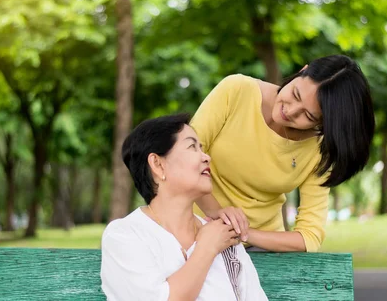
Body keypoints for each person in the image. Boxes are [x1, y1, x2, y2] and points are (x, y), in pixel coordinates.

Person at [192, 55, 375, 253]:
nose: (291, 111)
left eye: (308, 115)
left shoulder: (318, 149)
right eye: (296, 94)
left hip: (257, 246)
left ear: (322, 123)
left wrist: (242, 233)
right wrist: (217, 213)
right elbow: (185, 157)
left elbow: (309, 236)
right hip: (192, 228)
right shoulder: (236, 90)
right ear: (302, 70)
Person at [101, 113, 268, 301]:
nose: (206, 157)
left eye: (202, 148)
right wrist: (206, 248)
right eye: (192, 147)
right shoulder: (125, 235)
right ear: (157, 164)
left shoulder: (224, 236)